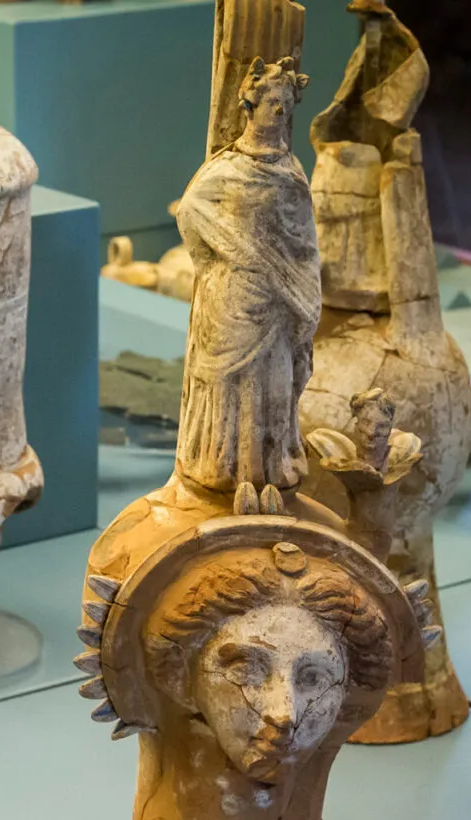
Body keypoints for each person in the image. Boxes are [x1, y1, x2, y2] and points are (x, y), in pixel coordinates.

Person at [175, 57, 321, 494]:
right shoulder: (227, 169)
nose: (278, 111)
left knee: (275, 382)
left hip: (277, 301)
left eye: (286, 104)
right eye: (271, 101)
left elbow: (304, 240)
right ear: (250, 103)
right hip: (232, 300)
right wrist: (227, 258)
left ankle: (268, 470)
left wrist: (291, 282)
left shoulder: (291, 172)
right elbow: (190, 214)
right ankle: (222, 469)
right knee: (227, 384)